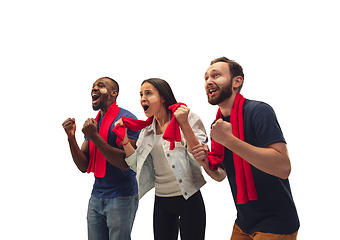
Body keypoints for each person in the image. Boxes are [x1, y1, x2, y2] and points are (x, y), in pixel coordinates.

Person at [193, 57, 300, 239]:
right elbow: (221, 175)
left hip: (276, 223)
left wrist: (230, 140)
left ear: (237, 81)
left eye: (216, 75)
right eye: (206, 78)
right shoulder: (217, 126)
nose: (209, 81)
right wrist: (204, 163)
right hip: (244, 222)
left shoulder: (259, 111)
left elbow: (283, 167)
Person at [114, 78, 225, 240]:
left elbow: (200, 154)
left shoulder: (187, 117)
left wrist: (184, 123)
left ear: (163, 97)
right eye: (140, 94)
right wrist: (124, 140)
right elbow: (135, 164)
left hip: (189, 198)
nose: (142, 98)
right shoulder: (146, 131)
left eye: (148, 93)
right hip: (162, 201)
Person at [62, 77, 140, 240]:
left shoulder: (127, 119)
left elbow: (126, 163)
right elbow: (84, 165)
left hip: (122, 196)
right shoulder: (94, 123)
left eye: (101, 86)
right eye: (93, 86)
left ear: (114, 93)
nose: (95, 88)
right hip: (96, 196)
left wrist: (95, 137)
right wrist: (71, 138)